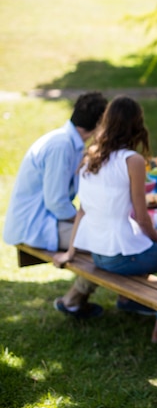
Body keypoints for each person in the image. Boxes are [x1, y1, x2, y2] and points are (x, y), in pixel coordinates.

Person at [52, 95, 157, 343]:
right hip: (120, 258)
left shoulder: (90, 156)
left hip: (99, 253)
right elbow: (141, 214)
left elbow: (82, 210)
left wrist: (71, 252)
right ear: (136, 125)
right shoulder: (131, 160)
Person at [3, 92, 108, 318]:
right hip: (37, 224)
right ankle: (74, 300)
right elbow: (56, 202)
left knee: (108, 237)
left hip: (47, 219)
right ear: (99, 124)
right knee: (106, 242)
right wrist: (85, 221)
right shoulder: (61, 145)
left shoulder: (70, 142)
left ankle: (78, 299)